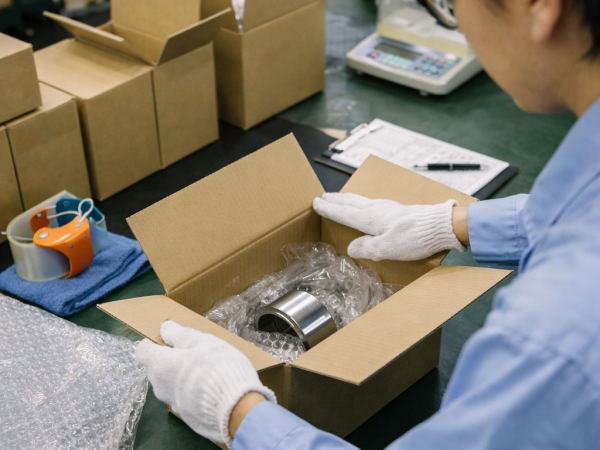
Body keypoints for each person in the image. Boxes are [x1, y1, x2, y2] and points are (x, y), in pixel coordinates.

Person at [134, 0, 600, 447]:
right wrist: (453, 223)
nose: (458, 25)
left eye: (449, 4)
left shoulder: (552, 343)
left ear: (538, 4)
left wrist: (237, 412)